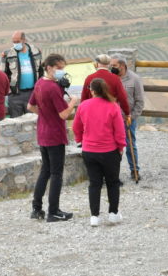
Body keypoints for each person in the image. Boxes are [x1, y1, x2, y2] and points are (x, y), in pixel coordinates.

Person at [27, 53, 80, 222]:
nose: (61, 72)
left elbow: (30, 106)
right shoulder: (53, 88)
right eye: (59, 68)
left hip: (43, 133)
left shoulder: (40, 84)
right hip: (55, 135)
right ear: (49, 67)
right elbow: (64, 114)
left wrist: (45, 115)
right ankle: (53, 211)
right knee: (56, 173)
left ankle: (36, 208)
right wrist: (73, 102)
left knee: (46, 171)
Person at [73, 77, 126, 227]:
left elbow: (77, 127)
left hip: (89, 150)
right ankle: (113, 214)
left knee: (94, 183)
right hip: (110, 151)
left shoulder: (83, 106)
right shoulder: (113, 106)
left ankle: (94, 216)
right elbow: (119, 130)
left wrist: (80, 141)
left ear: (92, 90)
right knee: (112, 183)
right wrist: (121, 147)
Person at [110, 54, 144, 179]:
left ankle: (134, 170)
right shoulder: (110, 78)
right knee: (112, 146)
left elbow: (140, 100)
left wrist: (132, 116)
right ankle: (113, 173)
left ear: (123, 66)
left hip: (127, 118)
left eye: (114, 65)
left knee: (130, 144)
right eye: (111, 65)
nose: (112, 68)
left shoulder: (135, 79)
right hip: (111, 119)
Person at [4, 31, 42, 118]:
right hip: (15, 95)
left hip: (32, 93)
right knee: (16, 123)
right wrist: (10, 91)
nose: (15, 44)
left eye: (17, 41)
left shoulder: (36, 51)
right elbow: (4, 74)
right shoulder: (8, 54)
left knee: (33, 121)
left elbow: (40, 71)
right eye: (14, 42)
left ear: (24, 40)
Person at [80, 54, 131, 119]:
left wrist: (82, 113)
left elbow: (84, 98)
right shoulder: (115, 78)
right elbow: (122, 98)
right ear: (109, 64)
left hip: (92, 114)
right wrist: (127, 113)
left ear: (96, 64)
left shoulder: (89, 78)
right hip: (110, 115)